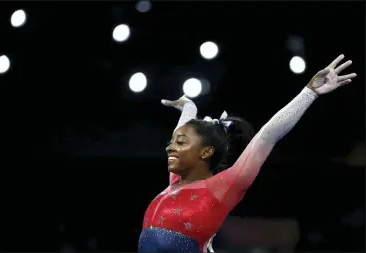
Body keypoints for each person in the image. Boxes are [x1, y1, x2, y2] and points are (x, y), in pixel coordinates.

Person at [138, 54, 357, 253]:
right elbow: (181, 132)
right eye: (171, 142)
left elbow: (267, 136)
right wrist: (189, 107)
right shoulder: (175, 183)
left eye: (180, 142)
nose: (169, 147)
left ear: (206, 152)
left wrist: (309, 93)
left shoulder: (223, 187)